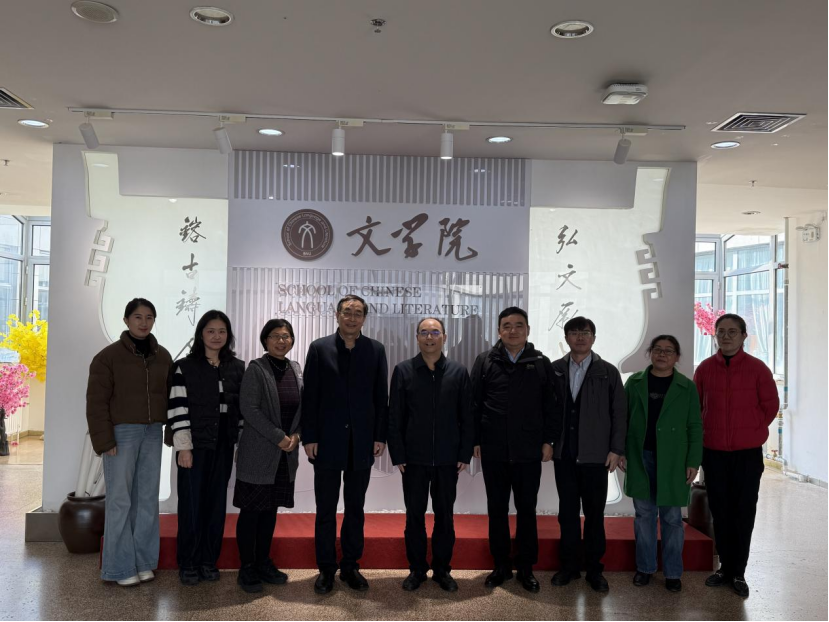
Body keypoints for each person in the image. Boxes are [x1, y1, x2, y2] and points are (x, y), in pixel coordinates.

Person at [301, 295, 389, 594]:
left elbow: (380, 397)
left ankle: (350, 565)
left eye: (358, 313)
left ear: (364, 318)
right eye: (347, 312)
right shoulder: (319, 348)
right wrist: (310, 436)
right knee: (325, 508)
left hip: (361, 442)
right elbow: (310, 396)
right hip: (327, 441)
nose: (352, 318)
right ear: (337, 315)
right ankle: (326, 569)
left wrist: (379, 435)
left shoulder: (375, 350)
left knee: (355, 508)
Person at [86, 298, 172, 586]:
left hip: (152, 432)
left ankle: (144, 562)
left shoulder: (163, 356)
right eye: (138, 317)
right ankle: (119, 567)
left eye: (149, 317)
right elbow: (96, 403)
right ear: (126, 320)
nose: (144, 322)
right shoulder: (107, 357)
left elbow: (170, 397)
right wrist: (104, 440)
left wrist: (170, 431)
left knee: (147, 499)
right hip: (122, 434)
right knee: (120, 500)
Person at [471, 307, 557, 593]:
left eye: (519, 325)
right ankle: (501, 565)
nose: (513, 330)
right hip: (494, 449)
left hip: (528, 451)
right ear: (499, 331)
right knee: (496, 509)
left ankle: (526, 567)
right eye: (506, 326)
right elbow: (474, 404)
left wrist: (549, 441)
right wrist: (475, 440)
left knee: (526, 510)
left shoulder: (541, 363)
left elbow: (551, 406)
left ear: (528, 330)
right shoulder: (485, 361)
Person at [694, 314, 779, 598]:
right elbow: (696, 407)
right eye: (721, 331)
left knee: (744, 512)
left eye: (733, 332)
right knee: (720, 511)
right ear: (715, 336)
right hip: (714, 452)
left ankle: (739, 571)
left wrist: (751, 430)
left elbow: (770, 406)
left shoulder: (758, 369)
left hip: (747, 454)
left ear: (743, 336)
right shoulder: (705, 369)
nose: (726, 336)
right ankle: (724, 568)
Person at [388, 318, 474, 592]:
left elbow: (467, 416)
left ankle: (442, 569)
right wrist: (398, 453)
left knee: (445, 516)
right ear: (417, 338)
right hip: (413, 459)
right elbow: (395, 416)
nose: (429, 337)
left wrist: (464, 453)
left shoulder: (458, 372)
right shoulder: (403, 371)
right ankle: (416, 569)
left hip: (448, 459)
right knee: (414, 516)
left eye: (435, 332)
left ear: (444, 337)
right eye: (424, 332)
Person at [167, 310, 245, 586]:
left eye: (222, 331)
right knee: (191, 504)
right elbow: (177, 408)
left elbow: (241, 411)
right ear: (201, 334)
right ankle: (188, 562)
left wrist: (239, 444)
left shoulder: (237, 367)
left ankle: (208, 560)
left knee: (216, 504)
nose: (216, 336)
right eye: (210, 331)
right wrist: (183, 448)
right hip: (194, 445)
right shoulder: (184, 367)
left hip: (224, 443)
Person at [620, 335, 702, 593]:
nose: (662, 354)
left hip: (674, 460)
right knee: (644, 515)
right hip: (640, 456)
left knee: (672, 518)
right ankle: (645, 568)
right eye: (658, 349)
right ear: (650, 353)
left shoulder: (686, 387)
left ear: (676, 357)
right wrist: (620, 451)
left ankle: (673, 572)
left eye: (668, 351)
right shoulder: (634, 382)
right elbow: (622, 419)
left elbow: (695, 425)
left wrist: (693, 461)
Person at [550, 316, 626, 593]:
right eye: (574, 332)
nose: (580, 337)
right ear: (566, 338)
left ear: (593, 338)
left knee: (594, 515)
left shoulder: (607, 372)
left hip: (596, 456)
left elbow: (619, 413)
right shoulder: (555, 370)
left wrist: (616, 449)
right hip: (565, 455)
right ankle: (569, 567)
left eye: (585, 333)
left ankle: (594, 570)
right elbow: (545, 409)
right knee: (567, 514)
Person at [232, 319, 303, 593]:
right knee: (251, 512)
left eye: (286, 336)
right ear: (265, 340)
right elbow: (249, 409)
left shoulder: (296, 369)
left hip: (285, 455)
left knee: (270, 511)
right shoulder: (256, 369)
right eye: (275, 336)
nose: (281, 341)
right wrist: (279, 437)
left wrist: (296, 436)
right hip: (258, 454)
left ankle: (263, 562)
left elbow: (303, 408)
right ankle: (247, 567)